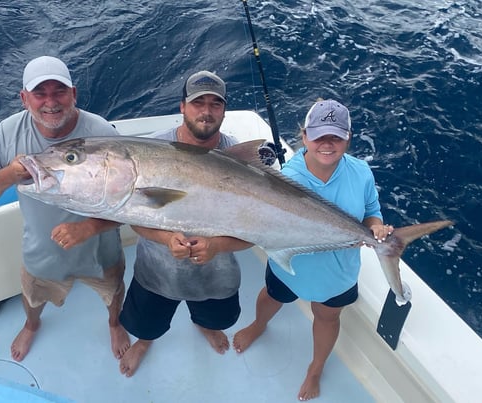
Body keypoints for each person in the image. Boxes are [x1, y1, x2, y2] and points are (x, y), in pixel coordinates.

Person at [0, 56, 130, 362]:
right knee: (33, 297)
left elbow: (128, 203)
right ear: (24, 98)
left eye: (60, 92)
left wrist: (89, 227)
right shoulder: (8, 131)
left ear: (74, 94)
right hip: (41, 252)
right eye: (40, 93)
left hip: (100, 251)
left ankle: (114, 323)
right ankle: (32, 324)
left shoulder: (102, 131)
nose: (51, 102)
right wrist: (10, 174)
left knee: (113, 291)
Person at [232, 99, 394, 401]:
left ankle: (316, 368)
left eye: (336, 136)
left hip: (338, 276)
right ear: (304, 136)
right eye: (319, 136)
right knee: (270, 295)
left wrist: (374, 227)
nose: (327, 144)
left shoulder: (361, 172)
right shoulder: (284, 180)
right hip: (287, 267)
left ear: (348, 138)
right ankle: (258, 325)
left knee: (328, 318)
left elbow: (372, 210)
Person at [118, 71, 253, 377]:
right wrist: (166, 239)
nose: (206, 111)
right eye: (197, 103)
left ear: (224, 110)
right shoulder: (150, 152)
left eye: (215, 104)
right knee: (144, 323)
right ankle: (145, 341)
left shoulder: (240, 158)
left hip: (216, 274)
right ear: (182, 107)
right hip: (156, 270)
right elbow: (134, 216)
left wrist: (217, 245)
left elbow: (258, 232)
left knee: (218, 318)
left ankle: (204, 325)